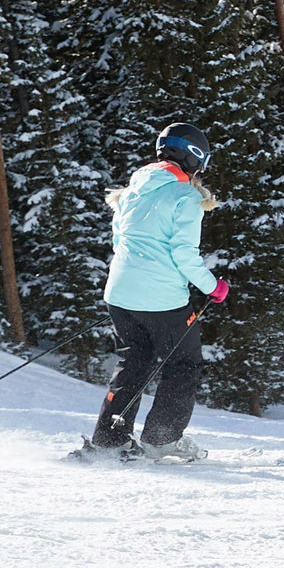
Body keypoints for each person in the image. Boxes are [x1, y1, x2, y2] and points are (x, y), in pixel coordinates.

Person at [76, 123, 230, 464]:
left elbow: (119, 240)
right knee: (184, 364)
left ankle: (109, 441)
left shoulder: (133, 189)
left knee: (134, 360)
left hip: (119, 292)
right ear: (195, 158)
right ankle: (162, 439)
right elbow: (183, 254)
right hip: (162, 299)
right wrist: (214, 287)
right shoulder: (185, 196)